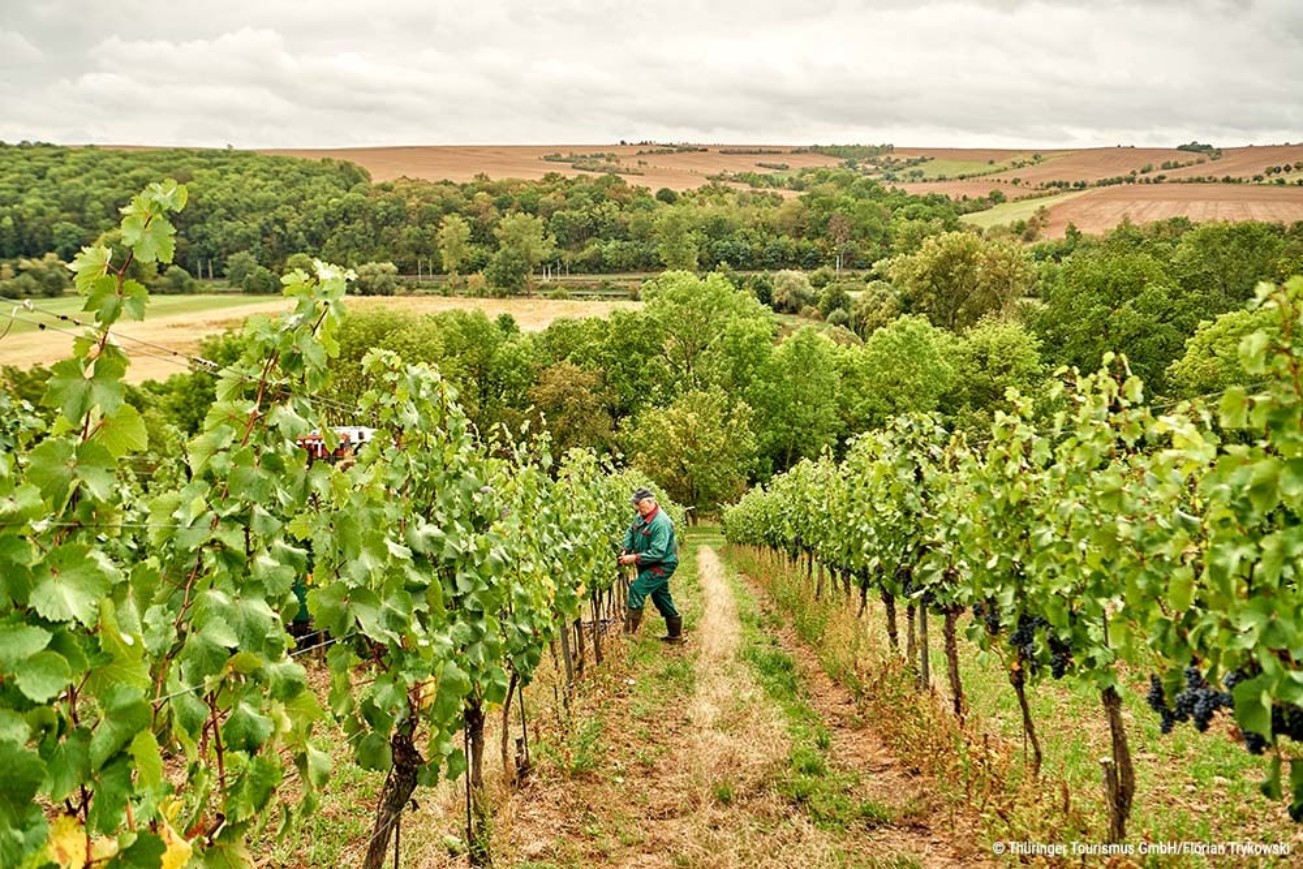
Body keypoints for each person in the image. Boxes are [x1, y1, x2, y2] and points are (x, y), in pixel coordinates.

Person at [618, 487, 683, 643]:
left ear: (651, 502)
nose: (636, 507)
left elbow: (658, 552)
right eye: (635, 504)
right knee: (660, 596)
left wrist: (633, 558)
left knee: (637, 588)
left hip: (662, 564)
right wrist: (626, 549)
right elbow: (631, 532)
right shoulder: (640, 516)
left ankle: (629, 633)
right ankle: (675, 635)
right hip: (648, 563)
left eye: (638, 503)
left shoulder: (661, 523)